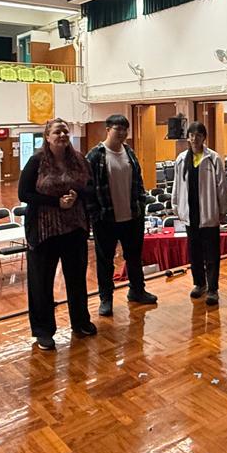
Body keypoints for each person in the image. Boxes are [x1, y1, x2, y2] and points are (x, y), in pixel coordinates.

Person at [19, 118, 96, 350]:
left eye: (65, 131)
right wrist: (56, 202)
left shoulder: (79, 159)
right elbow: (24, 194)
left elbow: (91, 186)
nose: (62, 135)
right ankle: (43, 331)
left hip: (75, 228)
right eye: (57, 132)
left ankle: (80, 322)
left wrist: (76, 196)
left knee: (77, 279)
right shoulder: (37, 161)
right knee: (41, 283)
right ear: (47, 136)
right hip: (44, 231)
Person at [85, 113, 158, 316]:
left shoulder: (129, 152)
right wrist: (95, 214)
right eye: (118, 129)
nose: (122, 133)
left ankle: (137, 291)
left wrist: (141, 204)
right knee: (105, 261)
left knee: (134, 257)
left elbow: (138, 181)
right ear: (108, 130)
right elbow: (87, 188)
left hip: (132, 216)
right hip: (106, 218)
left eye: (125, 129)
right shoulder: (95, 156)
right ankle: (106, 299)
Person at [171, 120, 227, 306]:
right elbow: (176, 184)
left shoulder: (213, 158)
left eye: (198, 135)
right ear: (188, 137)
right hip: (190, 213)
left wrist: (223, 209)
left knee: (212, 253)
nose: (194, 139)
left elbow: (222, 186)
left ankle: (213, 288)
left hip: (209, 212)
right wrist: (176, 205)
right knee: (194, 252)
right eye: (191, 135)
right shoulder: (181, 159)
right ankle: (199, 284)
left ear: (204, 137)